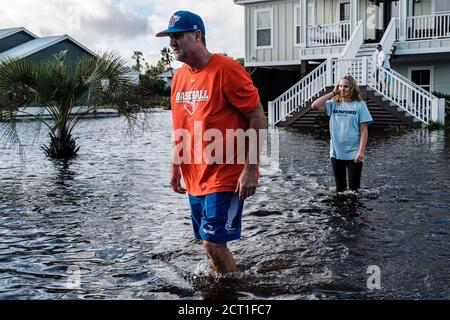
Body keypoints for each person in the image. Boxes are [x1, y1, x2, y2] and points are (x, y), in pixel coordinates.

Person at [156, 11, 267, 274]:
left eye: (177, 36)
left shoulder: (227, 70)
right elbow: (181, 127)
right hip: (194, 175)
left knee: (213, 243)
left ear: (197, 35)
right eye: (169, 37)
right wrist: (175, 166)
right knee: (206, 242)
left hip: (225, 174)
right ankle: (222, 283)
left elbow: (258, 117)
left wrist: (250, 169)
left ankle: (231, 296)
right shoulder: (179, 77)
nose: (171, 42)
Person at [311, 75, 373, 192]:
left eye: (346, 86)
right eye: (340, 86)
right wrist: (333, 93)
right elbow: (314, 105)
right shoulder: (333, 104)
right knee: (340, 189)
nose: (342, 89)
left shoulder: (360, 105)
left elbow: (364, 130)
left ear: (352, 88)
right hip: (336, 152)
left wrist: (361, 152)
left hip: (354, 152)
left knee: (354, 190)